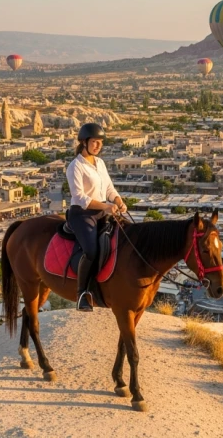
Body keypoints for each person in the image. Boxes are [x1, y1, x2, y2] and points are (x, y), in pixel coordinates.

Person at [66, 123, 127, 311]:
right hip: (82, 214)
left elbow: (109, 188)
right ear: (84, 142)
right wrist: (106, 206)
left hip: (102, 210)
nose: (98, 146)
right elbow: (80, 198)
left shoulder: (100, 163)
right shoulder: (75, 166)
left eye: (100, 142)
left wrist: (118, 200)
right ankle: (82, 294)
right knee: (91, 251)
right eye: (94, 142)